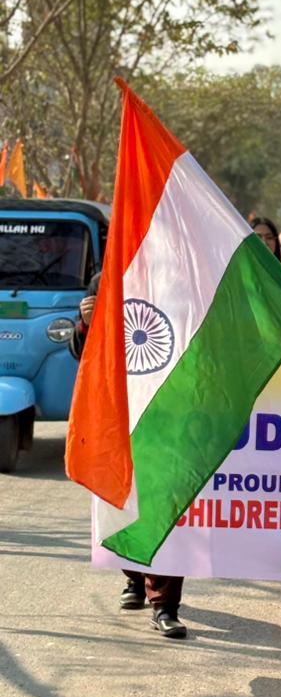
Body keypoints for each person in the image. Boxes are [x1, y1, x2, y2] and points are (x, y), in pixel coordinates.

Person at [70, 274, 187, 639]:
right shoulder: (104, 279)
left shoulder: (179, 272)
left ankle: (165, 605)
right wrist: (86, 324)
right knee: (121, 499)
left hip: (166, 410)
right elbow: (84, 354)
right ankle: (134, 578)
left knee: (164, 506)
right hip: (118, 412)